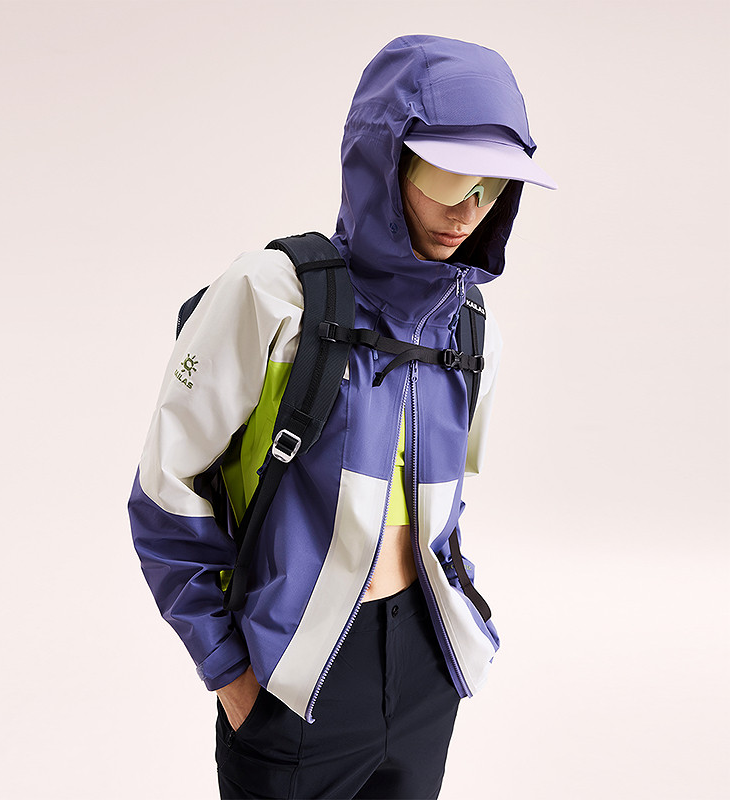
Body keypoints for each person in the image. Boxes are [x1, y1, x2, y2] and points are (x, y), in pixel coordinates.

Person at [129, 34, 556, 800]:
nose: (469, 209)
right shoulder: (274, 293)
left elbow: (445, 507)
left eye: (493, 185)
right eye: (448, 176)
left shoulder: (469, 323)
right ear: (382, 159)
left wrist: (457, 628)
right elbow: (165, 493)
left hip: (429, 664)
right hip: (294, 680)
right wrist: (229, 675)